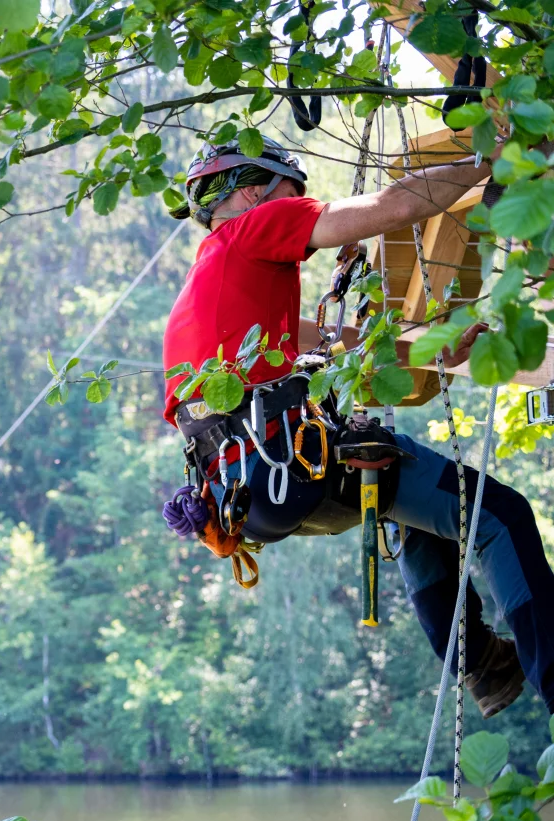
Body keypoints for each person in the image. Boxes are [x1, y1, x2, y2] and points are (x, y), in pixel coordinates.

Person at [162, 136, 554, 719]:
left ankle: (484, 667)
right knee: (500, 517)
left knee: (424, 517)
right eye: (292, 196)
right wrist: (490, 160)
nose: (298, 209)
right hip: (291, 465)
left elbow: (323, 343)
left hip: (255, 498)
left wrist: (437, 354)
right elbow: (394, 206)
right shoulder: (248, 231)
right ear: (253, 193)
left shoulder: (211, 290)